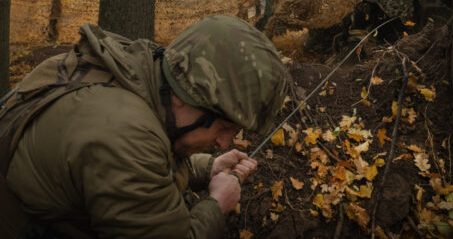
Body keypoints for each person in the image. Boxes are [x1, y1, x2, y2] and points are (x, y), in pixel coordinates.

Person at [0, 15, 289, 238]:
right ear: (183, 99)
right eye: (224, 128)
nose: (225, 142)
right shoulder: (124, 137)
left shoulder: (130, 71)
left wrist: (206, 168)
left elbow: (150, 157)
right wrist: (216, 204)